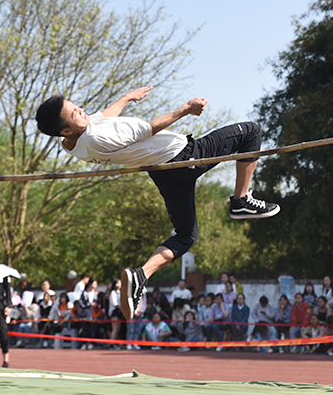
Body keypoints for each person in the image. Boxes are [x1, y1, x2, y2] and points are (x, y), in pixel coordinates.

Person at [36, 88, 280, 321]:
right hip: (184, 156)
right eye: (75, 113)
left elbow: (101, 118)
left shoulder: (71, 142)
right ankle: (241, 200)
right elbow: (150, 129)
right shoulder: (98, 137)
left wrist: (125, 99)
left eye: (77, 107)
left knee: (186, 236)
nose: (82, 111)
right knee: (250, 131)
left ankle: (141, 274)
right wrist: (186, 109)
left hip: (164, 173)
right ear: (66, 130)